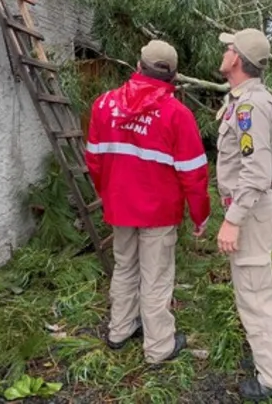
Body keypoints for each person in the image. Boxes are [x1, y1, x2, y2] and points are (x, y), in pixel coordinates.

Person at [84, 39, 210, 367]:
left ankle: (119, 330)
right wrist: (200, 215)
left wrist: (108, 194)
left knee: (125, 267)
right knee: (155, 277)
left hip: (120, 207)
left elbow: (94, 160)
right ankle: (158, 347)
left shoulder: (103, 105)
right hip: (159, 212)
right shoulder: (177, 115)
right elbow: (193, 174)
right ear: (173, 77)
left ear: (137, 67)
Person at [212, 28, 272, 400]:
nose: (225, 52)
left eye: (229, 48)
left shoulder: (250, 106)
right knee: (253, 293)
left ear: (238, 60)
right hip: (250, 211)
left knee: (256, 297)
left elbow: (257, 172)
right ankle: (268, 360)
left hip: (251, 214)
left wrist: (232, 220)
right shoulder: (244, 99)